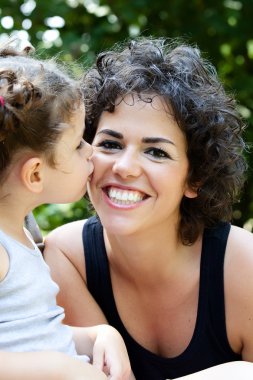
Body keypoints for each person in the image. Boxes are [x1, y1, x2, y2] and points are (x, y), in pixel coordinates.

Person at [44, 37, 253, 379]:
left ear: (194, 179)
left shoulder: (244, 267)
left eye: (156, 152)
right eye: (110, 144)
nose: (125, 167)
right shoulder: (66, 258)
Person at [0, 43, 132, 380]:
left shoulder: (23, 236)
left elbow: (31, 335)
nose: (91, 151)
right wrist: (57, 369)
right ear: (35, 174)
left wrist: (97, 336)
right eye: (77, 144)